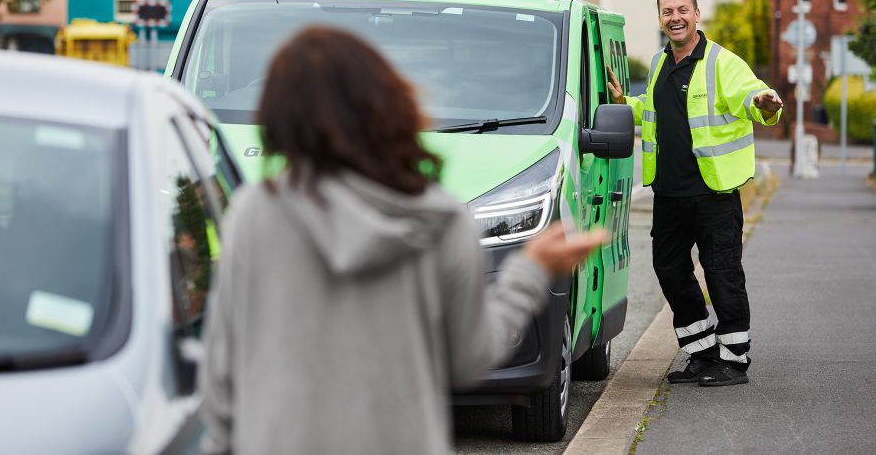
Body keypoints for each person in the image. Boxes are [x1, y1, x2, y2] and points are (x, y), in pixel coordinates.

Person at [200, 26, 605, 454]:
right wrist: (531, 269)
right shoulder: (439, 218)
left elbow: (223, 366)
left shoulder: (258, 214)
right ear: (386, 102)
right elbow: (469, 354)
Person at [606, 0, 782, 388]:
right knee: (668, 269)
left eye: (682, 10)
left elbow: (751, 95)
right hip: (668, 192)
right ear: (660, 19)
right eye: (668, 12)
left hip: (713, 193)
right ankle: (702, 351)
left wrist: (765, 103)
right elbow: (654, 113)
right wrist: (624, 103)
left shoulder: (722, 62)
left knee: (722, 272)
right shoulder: (659, 64)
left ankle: (734, 360)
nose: (676, 18)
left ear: (697, 14)